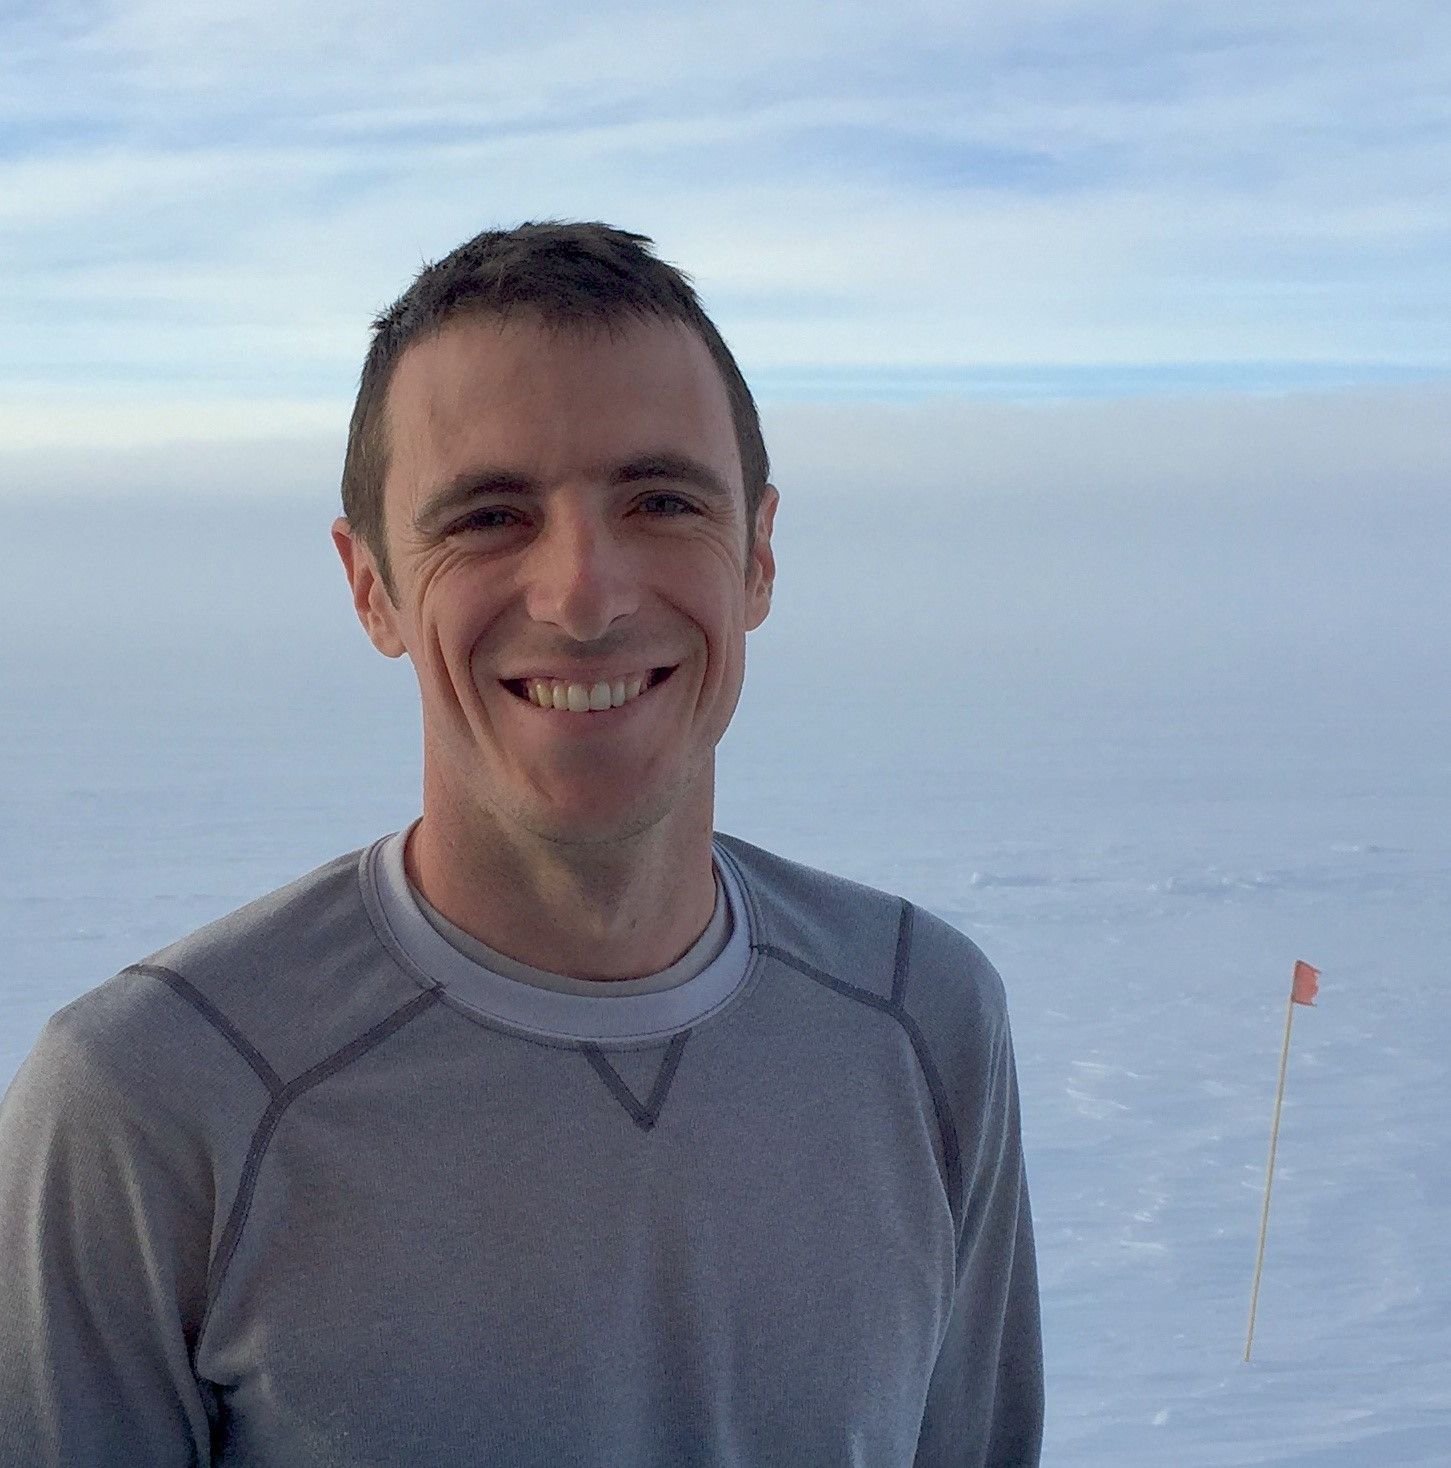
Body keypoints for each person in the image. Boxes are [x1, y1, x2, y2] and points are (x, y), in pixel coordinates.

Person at [0, 220, 1043, 1465]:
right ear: (372, 585)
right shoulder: (154, 1102)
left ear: (758, 553)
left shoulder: (921, 1022)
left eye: (661, 500)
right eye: (489, 515)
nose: (583, 596)